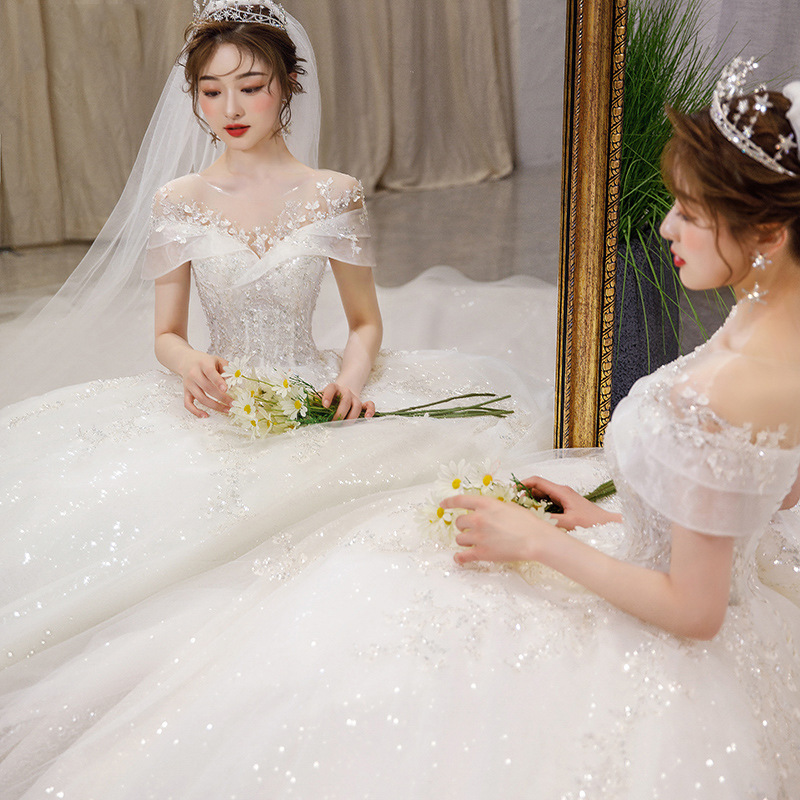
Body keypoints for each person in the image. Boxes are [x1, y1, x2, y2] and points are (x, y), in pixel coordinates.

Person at [2, 56, 800, 799]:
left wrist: (541, 541)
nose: (665, 228)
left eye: (690, 212)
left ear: (767, 234)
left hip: (660, 615)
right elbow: (758, 507)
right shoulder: (756, 332)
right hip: (629, 547)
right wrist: (611, 519)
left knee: (374, 626)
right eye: (211, 90)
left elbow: (697, 607)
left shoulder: (731, 384)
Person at [0, 2, 554, 665]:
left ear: (288, 85)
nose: (230, 108)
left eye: (251, 86)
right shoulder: (178, 200)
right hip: (222, 400)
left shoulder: (334, 193)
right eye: (211, 91)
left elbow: (365, 322)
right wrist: (190, 363)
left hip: (311, 388)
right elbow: (167, 333)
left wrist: (349, 381)